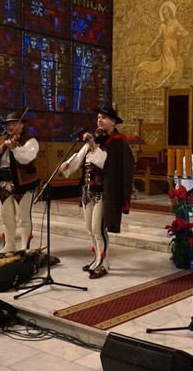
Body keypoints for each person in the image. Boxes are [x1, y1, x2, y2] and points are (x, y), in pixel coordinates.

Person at [58, 105, 134, 279]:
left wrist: (92, 145)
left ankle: (104, 263)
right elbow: (79, 157)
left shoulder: (117, 142)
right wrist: (67, 167)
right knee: (90, 229)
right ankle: (97, 259)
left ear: (113, 122)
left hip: (104, 192)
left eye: (104, 117)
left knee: (98, 229)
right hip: (88, 191)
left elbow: (106, 164)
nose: (100, 120)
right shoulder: (97, 139)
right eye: (98, 117)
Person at [0, 111, 39, 258]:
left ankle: (24, 246)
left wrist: (14, 148)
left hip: (23, 183)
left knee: (23, 217)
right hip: (3, 182)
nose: (11, 126)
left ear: (22, 125)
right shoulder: (1, 139)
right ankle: (9, 244)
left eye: (15, 123)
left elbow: (26, 159)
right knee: (5, 216)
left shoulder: (30, 140)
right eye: (9, 124)